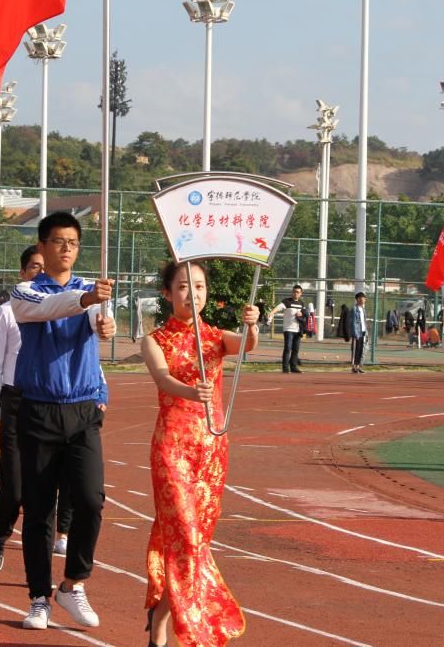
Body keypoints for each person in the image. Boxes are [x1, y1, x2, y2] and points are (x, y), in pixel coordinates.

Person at [8, 211, 115, 631]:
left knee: (90, 500)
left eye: (72, 242)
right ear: (42, 246)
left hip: (83, 409)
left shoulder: (93, 289)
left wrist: (104, 322)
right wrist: (86, 302)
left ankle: (73, 584)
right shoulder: (25, 291)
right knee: (39, 510)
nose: (66, 248)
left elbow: (96, 322)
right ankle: (39, 597)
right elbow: (51, 308)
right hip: (38, 409)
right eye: (58, 241)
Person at [141, 261, 256, 647]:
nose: (193, 293)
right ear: (167, 293)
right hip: (172, 449)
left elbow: (246, 345)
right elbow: (162, 378)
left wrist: (253, 325)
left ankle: (160, 616)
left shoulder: (215, 337)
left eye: (200, 286)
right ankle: (183, 629)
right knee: (185, 538)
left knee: (195, 543)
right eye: (183, 286)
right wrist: (192, 392)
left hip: (211, 452)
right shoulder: (155, 340)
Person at [0, 246, 45, 572]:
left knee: (45, 488)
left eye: (45, 267)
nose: (40, 272)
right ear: (22, 273)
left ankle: (40, 569)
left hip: (48, 402)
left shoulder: (60, 309)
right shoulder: (7, 312)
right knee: (14, 486)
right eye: (34, 267)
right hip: (15, 401)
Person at [267, 285, 304, 373]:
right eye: (294, 291)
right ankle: (285, 368)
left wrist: (301, 314)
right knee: (288, 348)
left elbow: (304, 313)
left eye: (297, 292)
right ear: (292, 292)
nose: (295, 293)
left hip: (298, 329)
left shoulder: (301, 303)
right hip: (288, 329)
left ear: (301, 294)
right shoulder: (287, 301)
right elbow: (278, 307)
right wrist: (271, 313)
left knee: (296, 349)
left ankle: (293, 367)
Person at [338, 292, 367, 374]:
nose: (364, 300)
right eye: (363, 298)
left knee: (360, 350)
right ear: (358, 299)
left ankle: (358, 366)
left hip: (362, 332)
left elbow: (364, 321)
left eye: (365, 298)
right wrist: (355, 333)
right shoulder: (354, 309)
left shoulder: (363, 309)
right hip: (357, 333)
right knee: (355, 350)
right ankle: (354, 367)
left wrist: (366, 332)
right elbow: (353, 322)